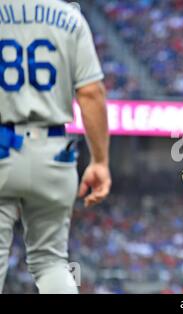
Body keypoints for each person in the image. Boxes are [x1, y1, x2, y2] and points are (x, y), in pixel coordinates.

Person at [0, 0, 111, 293]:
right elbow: (90, 93)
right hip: (53, 152)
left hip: (2, 145)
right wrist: (99, 161)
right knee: (50, 261)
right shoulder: (70, 17)